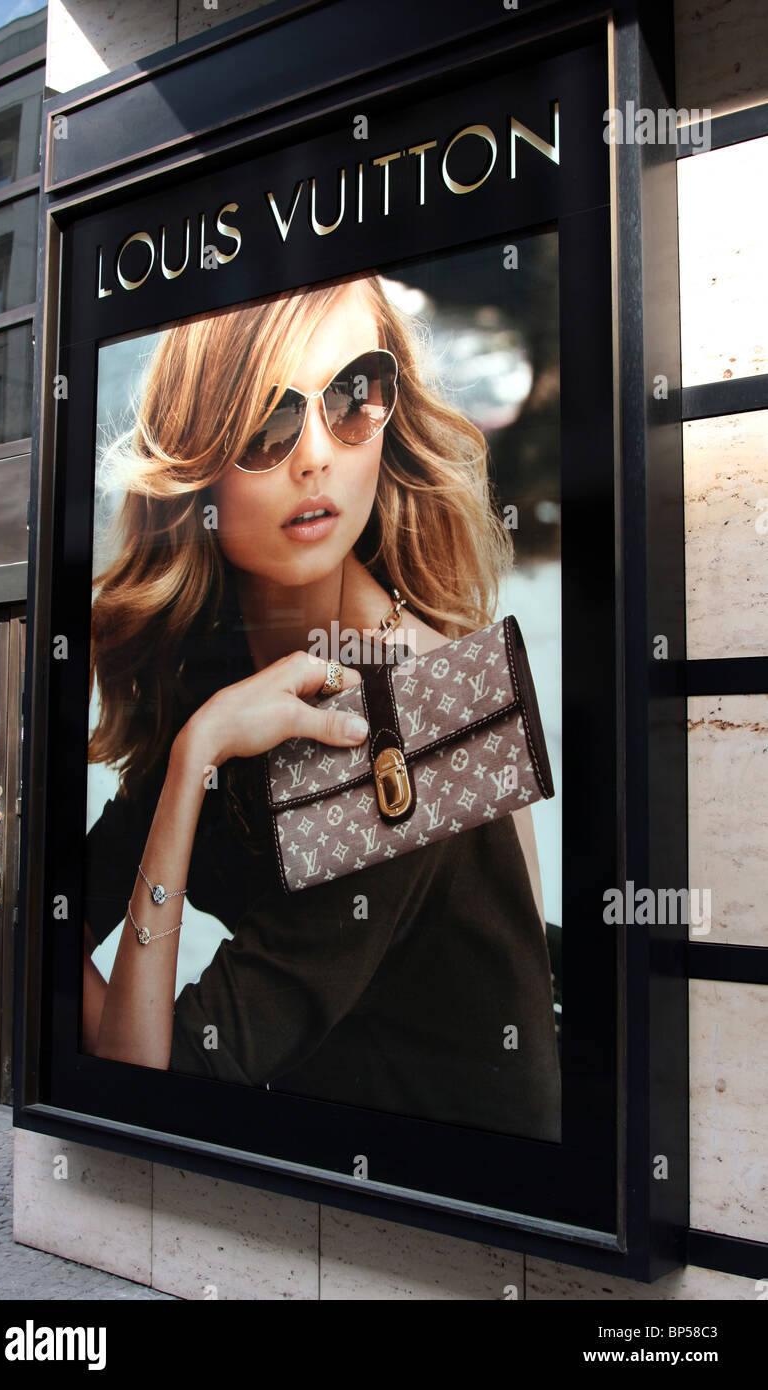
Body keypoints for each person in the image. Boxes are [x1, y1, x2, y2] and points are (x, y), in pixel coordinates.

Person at [82, 270, 561, 1141]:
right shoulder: (217, 669)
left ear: (389, 417)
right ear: (197, 469)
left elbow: (142, 1095)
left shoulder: (416, 708)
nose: (314, 455)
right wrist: (192, 750)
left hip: (442, 1223)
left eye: (352, 397)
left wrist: (196, 759)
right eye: (268, 419)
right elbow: (53, 916)